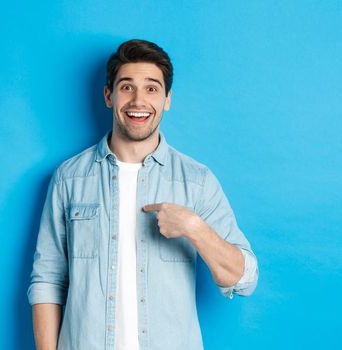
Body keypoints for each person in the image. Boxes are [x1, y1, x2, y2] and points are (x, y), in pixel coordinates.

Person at [28, 39, 259, 350]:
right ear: (109, 96)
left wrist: (194, 228)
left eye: (151, 89)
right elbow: (47, 281)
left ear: (167, 99)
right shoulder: (69, 178)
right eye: (127, 87)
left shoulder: (197, 182)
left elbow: (244, 279)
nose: (138, 100)